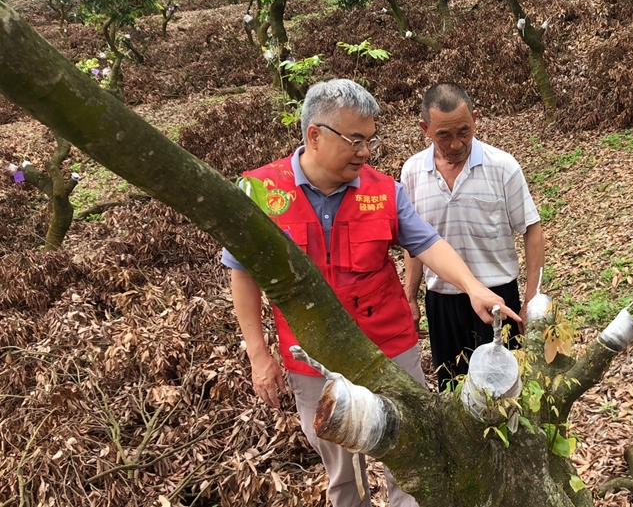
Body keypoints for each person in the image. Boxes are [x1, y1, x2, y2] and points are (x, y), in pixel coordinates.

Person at [221, 79, 520, 507]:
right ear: (315, 135)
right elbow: (243, 272)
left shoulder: (382, 192)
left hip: (389, 350)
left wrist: (473, 288)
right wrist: (257, 354)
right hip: (313, 361)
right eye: (355, 140)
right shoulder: (260, 192)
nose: (364, 152)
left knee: (414, 456)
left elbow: (428, 242)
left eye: (369, 141)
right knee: (343, 472)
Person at [401, 82, 545, 391]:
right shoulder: (412, 172)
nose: (456, 144)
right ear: (425, 128)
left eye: (464, 132)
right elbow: (414, 243)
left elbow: (532, 230)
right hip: (441, 303)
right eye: (444, 135)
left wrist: (531, 298)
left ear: (476, 119)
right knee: (452, 388)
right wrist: (410, 297)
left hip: (497, 299)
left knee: (504, 392)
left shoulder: (502, 167)